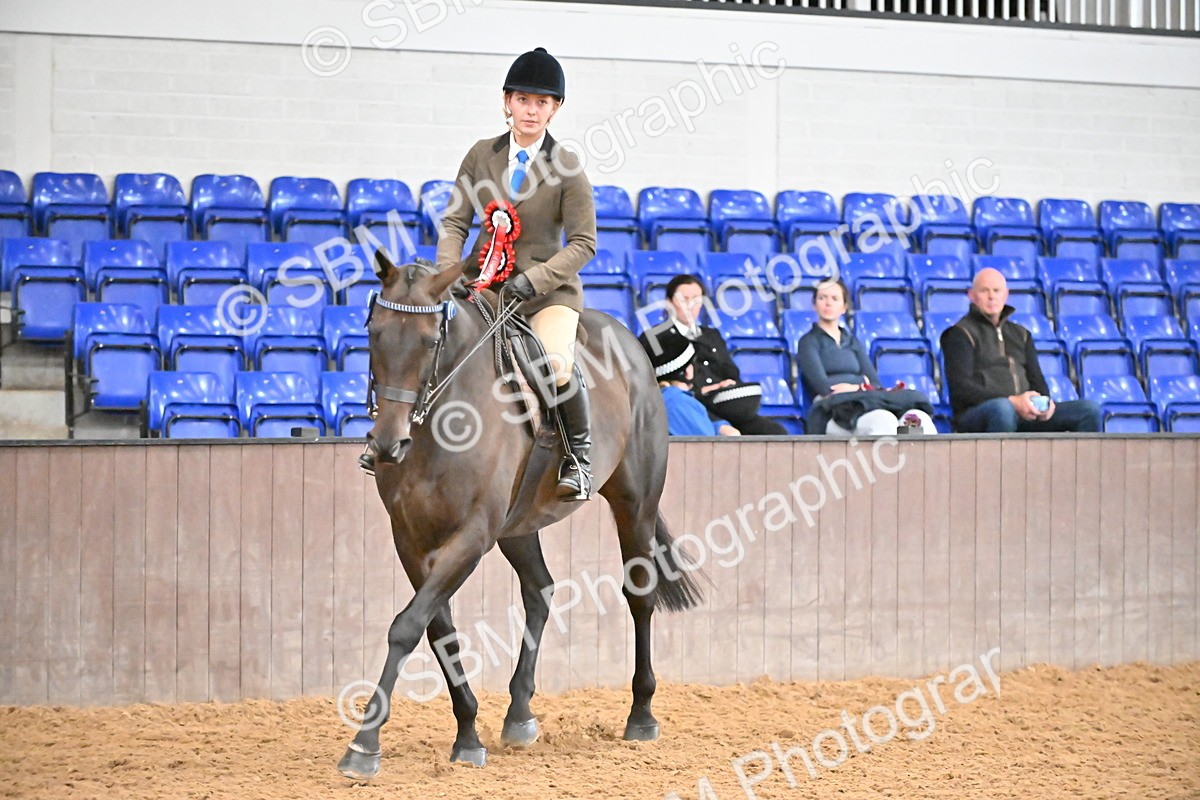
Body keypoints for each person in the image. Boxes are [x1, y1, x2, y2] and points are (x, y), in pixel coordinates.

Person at [360, 48, 599, 500]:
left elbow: (584, 243)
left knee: (555, 363)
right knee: (426, 344)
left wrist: (535, 280)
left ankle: (578, 457)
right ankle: (390, 439)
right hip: (480, 286)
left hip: (545, 294)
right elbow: (455, 221)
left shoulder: (568, 168)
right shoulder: (479, 155)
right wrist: (452, 271)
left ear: (555, 109)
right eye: (524, 100)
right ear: (507, 102)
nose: (531, 110)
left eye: (542, 103)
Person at [941, 268, 1102, 433]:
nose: (991, 296)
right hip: (979, 413)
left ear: (1006, 294)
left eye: (996, 290)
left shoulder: (1021, 334)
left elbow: (1037, 380)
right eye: (984, 291)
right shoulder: (959, 333)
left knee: (1089, 410)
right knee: (1003, 409)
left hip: (1025, 412)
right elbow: (961, 389)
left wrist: (1044, 402)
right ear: (972, 295)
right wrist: (1012, 401)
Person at [638, 275, 787, 436]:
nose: (690, 305)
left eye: (696, 299)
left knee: (773, 432)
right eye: (684, 299)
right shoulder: (655, 338)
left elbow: (731, 372)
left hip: (724, 405)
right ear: (669, 302)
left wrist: (728, 384)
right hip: (690, 406)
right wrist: (703, 390)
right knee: (728, 433)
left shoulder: (712, 335)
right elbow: (660, 385)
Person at [796, 277, 937, 435]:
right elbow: (824, 387)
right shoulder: (807, 342)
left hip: (863, 401)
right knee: (884, 421)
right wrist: (862, 383)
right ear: (814, 304)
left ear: (844, 306)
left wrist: (855, 387)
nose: (828, 303)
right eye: (822, 298)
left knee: (917, 420)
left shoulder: (853, 341)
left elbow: (874, 382)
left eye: (834, 298)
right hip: (833, 411)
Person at [645, 333, 740, 437]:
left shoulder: (663, 397)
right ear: (687, 372)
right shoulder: (676, 401)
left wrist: (720, 426)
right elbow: (707, 444)